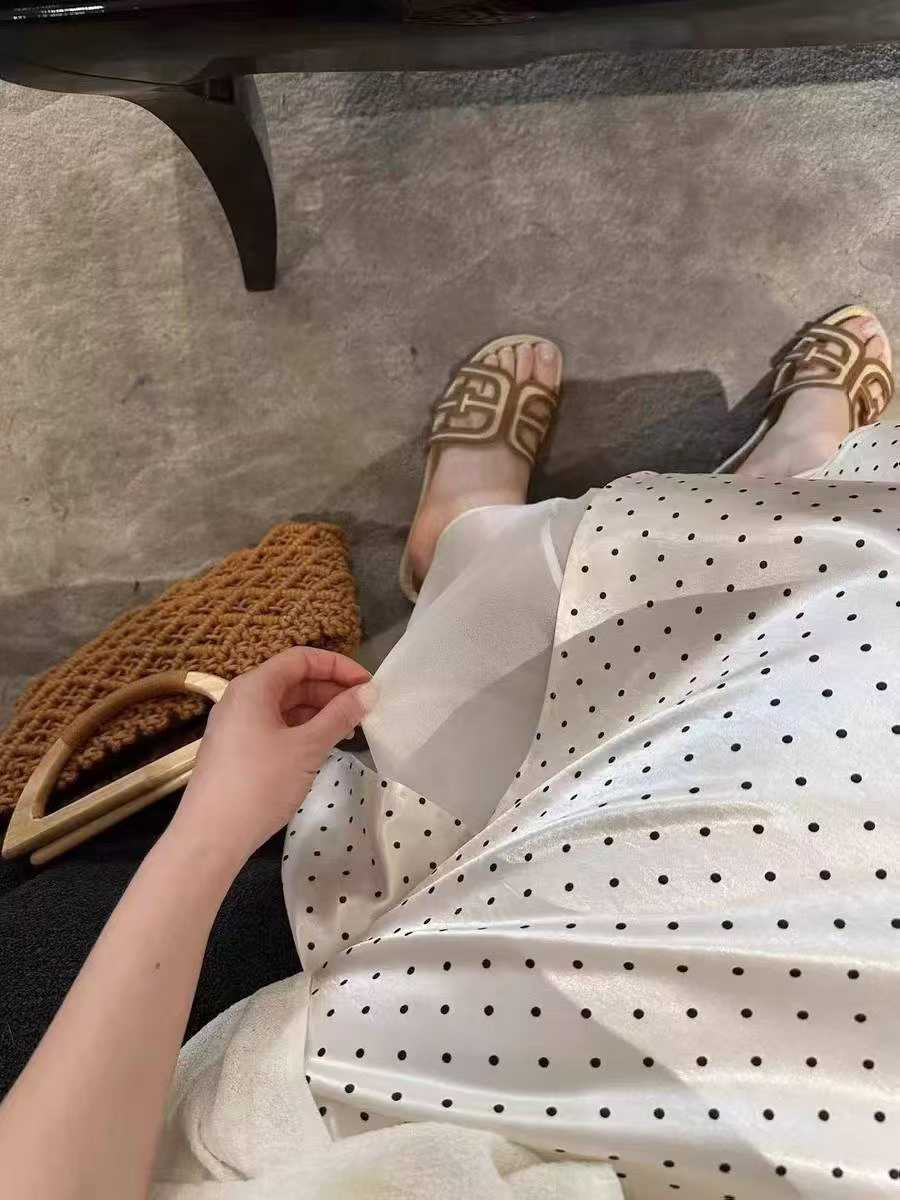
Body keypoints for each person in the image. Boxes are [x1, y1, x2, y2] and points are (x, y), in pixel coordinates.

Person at [0, 307, 897, 1200]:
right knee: (833, 679)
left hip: (298, 1078)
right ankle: (772, 513)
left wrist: (212, 830)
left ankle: (504, 574)